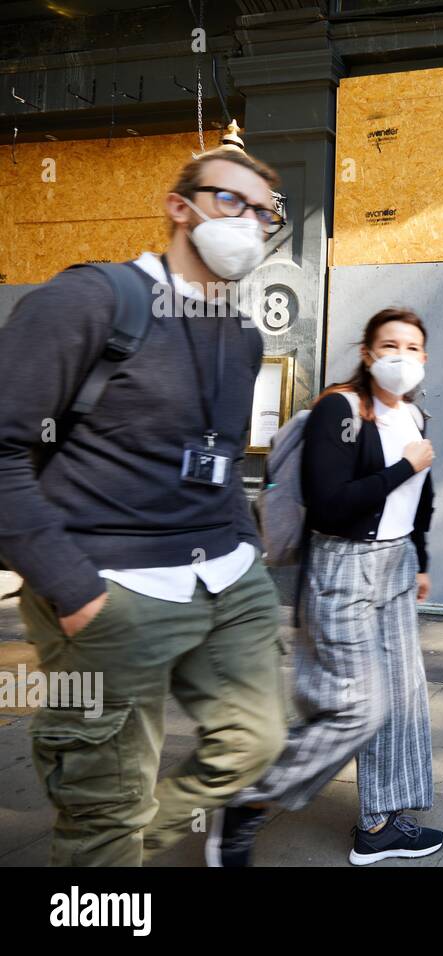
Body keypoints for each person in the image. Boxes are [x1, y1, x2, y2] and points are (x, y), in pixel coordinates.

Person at [0, 144, 289, 865]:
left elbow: (217, 460)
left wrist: (246, 550)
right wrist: (70, 587)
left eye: (264, 212)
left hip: (224, 576)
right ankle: (105, 853)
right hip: (111, 587)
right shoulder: (89, 302)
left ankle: (128, 836)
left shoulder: (243, 337)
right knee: (104, 801)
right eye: (231, 201)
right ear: (178, 206)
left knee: (256, 743)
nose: (249, 222)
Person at [209, 308, 442, 866]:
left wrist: (422, 560)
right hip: (344, 569)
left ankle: (380, 824)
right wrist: (404, 468)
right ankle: (248, 796)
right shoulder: (339, 408)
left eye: (413, 348)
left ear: (425, 359)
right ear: (367, 353)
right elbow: (330, 502)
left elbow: (421, 501)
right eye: (390, 345)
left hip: (396, 566)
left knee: (403, 700)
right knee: (358, 706)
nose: (401, 357)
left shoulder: (414, 414)